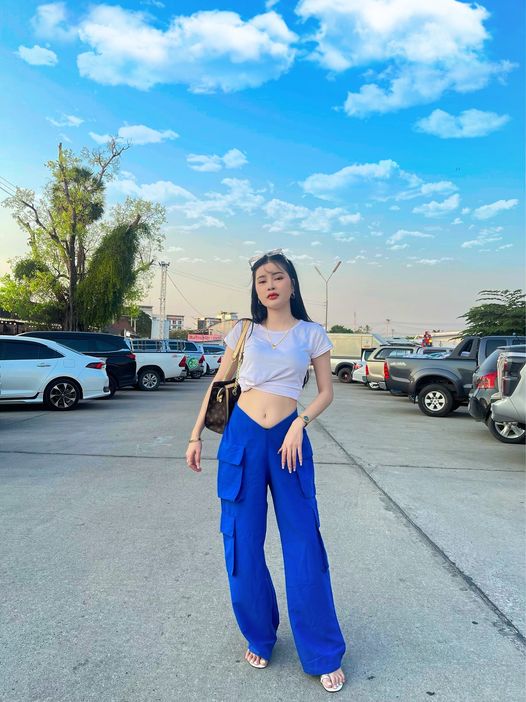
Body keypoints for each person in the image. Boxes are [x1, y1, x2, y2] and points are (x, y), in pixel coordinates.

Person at [186, 249, 347, 693]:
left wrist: (300, 422)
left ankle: (322, 651)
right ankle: (259, 634)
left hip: (289, 441)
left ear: (292, 283)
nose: (270, 285)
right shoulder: (243, 331)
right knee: (241, 541)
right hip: (242, 439)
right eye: (261, 280)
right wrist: (195, 435)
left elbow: (326, 392)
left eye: (277, 277)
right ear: (255, 290)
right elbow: (219, 384)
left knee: (304, 542)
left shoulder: (312, 333)